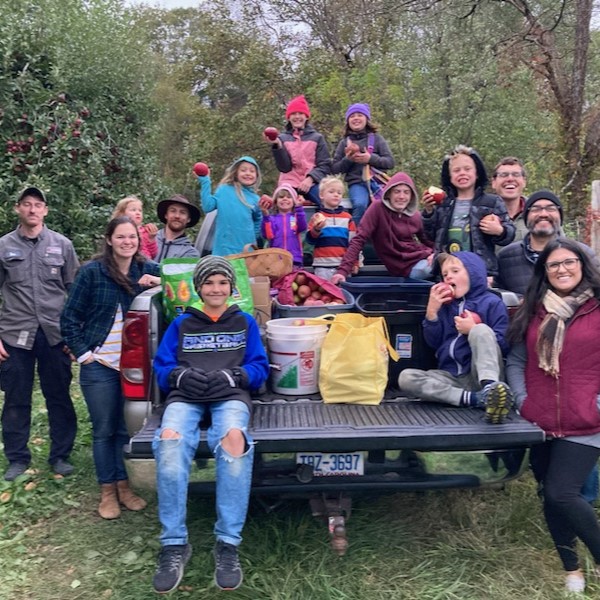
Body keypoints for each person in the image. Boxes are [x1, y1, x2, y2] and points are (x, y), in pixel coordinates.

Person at [151, 255, 269, 594]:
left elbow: (260, 367)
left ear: (231, 288)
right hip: (186, 396)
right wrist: (179, 375)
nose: (216, 288)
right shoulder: (181, 324)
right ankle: (174, 544)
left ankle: (227, 543)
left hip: (228, 393)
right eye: (209, 282)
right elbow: (162, 367)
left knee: (234, 439)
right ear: (198, 288)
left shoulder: (244, 322)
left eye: (222, 282)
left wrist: (235, 375)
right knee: (170, 442)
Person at [506, 238, 600, 594]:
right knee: (550, 495)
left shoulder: (597, 307)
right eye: (553, 265)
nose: (562, 269)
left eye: (568, 262)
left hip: (586, 420)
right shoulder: (533, 309)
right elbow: (517, 360)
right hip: (540, 419)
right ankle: (571, 569)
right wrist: (522, 399)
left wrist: (597, 404)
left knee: (563, 493)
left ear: (582, 264)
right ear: (544, 272)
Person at [61, 216, 160, 519]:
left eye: (132, 237)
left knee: (123, 427)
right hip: (100, 365)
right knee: (104, 429)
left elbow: (185, 279)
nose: (127, 242)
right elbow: (68, 318)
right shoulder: (92, 273)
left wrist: (158, 281)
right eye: (120, 237)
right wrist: (84, 354)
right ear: (109, 240)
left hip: (133, 367)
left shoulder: (146, 269)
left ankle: (124, 487)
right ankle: (107, 491)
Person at [0, 186, 79, 481]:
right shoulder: (3, 246)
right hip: (14, 335)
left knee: (58, 396)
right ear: (17, 208)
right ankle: (18, 458)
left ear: (45, 210)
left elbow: (76, 293)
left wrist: (74, 335)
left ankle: (60, 455)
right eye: (27, 204)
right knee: (16, 398)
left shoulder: (63, 245)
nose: (32, 210)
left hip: (54, 334)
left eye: (38, 205)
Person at [398, 252, 513, 424]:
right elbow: (434, 343)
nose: (448, 276)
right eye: (445, 275)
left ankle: (489, 389)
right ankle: (474, 399)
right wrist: (431, 313)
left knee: (480, 330)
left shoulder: (491, 302)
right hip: (451, 377)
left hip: (481, 373)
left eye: (455, 271)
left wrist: (473, 329)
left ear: (474, 273)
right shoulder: (446, 307)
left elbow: (504, 344)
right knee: (406, 378)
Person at [422, 145, 515, 279]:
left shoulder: (491, 202)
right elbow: (430, 236)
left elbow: (509, 234)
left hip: (481, 272)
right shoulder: (443, 203)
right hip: (446, 272)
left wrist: (499, 230)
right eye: (456, 170)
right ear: (450, 176)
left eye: (467, 169)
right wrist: (429, 212)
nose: (462, 173)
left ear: (477, 173)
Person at [331, 171, 434, 284]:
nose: (401, 196)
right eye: (397, 192)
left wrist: (435, 254)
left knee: (448, 264)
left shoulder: (415, 215)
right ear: (389, 193)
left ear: (411, 196)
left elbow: (428, 240)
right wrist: (342, 271)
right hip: (405, 267)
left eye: (406, 192)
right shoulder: (377, 209)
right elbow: (359, 239)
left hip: (423, 258)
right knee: (431, 269)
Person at [332, 102, 394, 225]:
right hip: (357, 184)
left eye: (360, 115)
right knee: (360, 205)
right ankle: (356, 237)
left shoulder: (377, 139)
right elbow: (335, 168)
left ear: (366, 119)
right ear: (348, 121)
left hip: (378, 183)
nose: (356, 118)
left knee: (386, 208)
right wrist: (349, 159)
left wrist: (370, 159)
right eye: (352, 116)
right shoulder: (344, 143)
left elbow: (390, 162)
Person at [265, 95, 331, 206]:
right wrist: (278, 146)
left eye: (300, 113)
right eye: (293, 114)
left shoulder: (317, 138)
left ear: (306, 117)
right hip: (289, 182)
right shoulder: (282, 138)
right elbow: (284, 168)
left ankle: (325, 222)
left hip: (312, 182)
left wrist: (310, 179)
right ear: (289, 117)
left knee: (326, 202)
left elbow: (325, 165)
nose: (297, 117)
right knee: (283, 202)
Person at [198, 156, 263, 256]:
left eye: (252, 171)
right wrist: (205, 181)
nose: (248, 173)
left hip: (246, 251)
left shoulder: (256, 199)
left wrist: (252, 236)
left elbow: (258, 220)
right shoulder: (224, 190)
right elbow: (208, 206)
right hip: (223, 249)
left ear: (257, 175)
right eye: (243, 170)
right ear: (236, 173)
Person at [305, 175, 357, 281]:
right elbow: (309, 240)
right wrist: (316, 229)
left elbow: (354, 243)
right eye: (331, 192)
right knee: (325, 293)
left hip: (343, 266)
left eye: (339, 193)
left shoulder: (347, 218)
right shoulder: (316, 217)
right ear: (321, 195)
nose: (336, 195)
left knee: (342, 294)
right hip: (322, 265)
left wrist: (355, 262)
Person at [259, 184, 307, 269]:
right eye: (281, 197)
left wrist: (299, 207)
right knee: (279, 281)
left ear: (294, 202)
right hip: (276, 259)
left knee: (294, 281)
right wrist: (265, 215)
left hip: (294, 259)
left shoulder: (295, 217)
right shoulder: (272, 219)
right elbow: (267, 235)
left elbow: (302, 226)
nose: (285, 199)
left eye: (289, 197)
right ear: (275, 202)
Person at [491, 157, 529, 244]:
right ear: (494, 182)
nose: (510, 179)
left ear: (524, 181)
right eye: (504, 175)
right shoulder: (481, 213)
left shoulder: (538, 213)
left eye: (516, 174)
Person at [155, 195, 201, 262]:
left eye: (182, 212)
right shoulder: (149, 239)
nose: (177, 216)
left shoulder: (190, 253)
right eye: (173, 211)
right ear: (166, 215)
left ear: (188, 219)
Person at [112, 195, 159, 260]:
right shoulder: (117, 230)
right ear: (121, 214)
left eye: (140, 210)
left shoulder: (145, 231)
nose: (138, 213)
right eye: (133, 210)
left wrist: (151, 239)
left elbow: (153, 254)